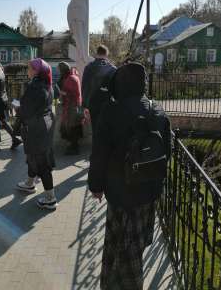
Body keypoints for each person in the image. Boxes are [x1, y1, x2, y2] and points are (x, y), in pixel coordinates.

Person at [88, 62, 171, 290]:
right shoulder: (158, 110)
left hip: (120, 190)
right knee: (135, 245)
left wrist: (96, 185)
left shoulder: (111, 112)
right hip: (148, 191)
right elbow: (167, 152)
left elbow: (100, 154)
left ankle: (115, 282)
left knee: (117, 244)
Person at [17, 58, 57, 210]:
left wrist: (18, 108)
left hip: (36, 129)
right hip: (44, 126)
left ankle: (51, 198)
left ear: (36, 71)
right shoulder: (48, 84)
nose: (27, 71)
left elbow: (26, 110)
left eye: (29, 68)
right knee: (33, 157)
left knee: (42, 163)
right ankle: (29, 183)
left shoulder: (35, 87)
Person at [82, 45, 116, 135]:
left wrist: (84, 105)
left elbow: (85, 87)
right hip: (108, 103)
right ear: (106, 54)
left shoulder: (89, 67)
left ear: (97, 54)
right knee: (107, 130)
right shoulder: (113, 69)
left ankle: (96, 147)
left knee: (95, 129)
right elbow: (116, 88)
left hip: (93, 103)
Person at [58, 61, 83, 155]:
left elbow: (74, 94)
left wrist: (63, 93)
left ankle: (74, 148)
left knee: (72, 128)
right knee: (72, 127)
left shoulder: (71, 78)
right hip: (72, 106)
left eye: (60, 70)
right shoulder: (72, 76)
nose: (59, 72)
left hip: (72, 107)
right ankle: (73, 146)